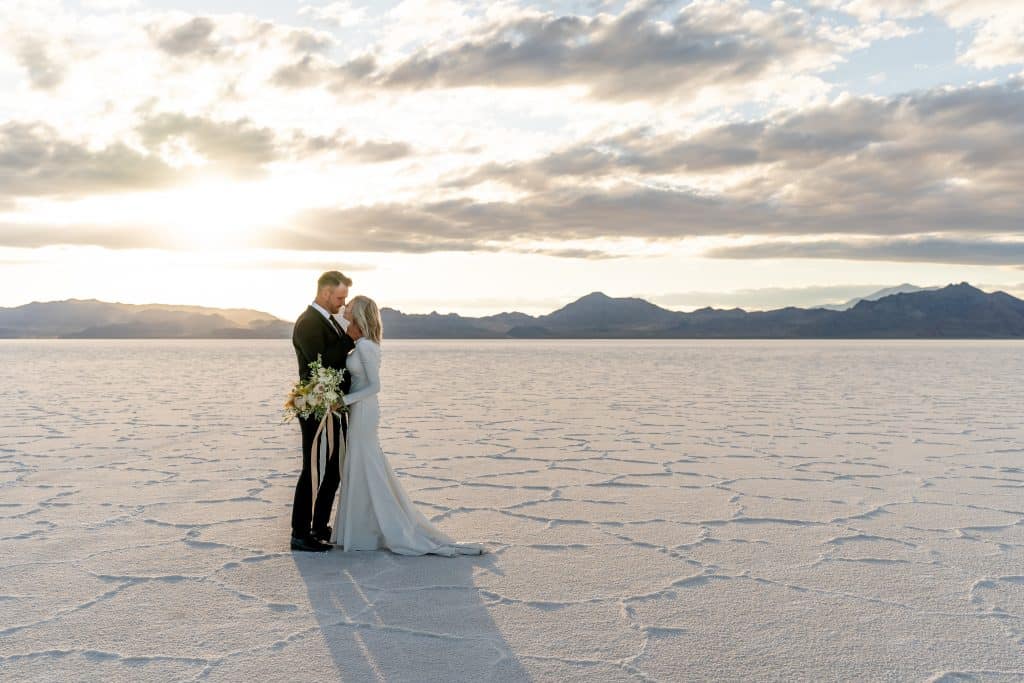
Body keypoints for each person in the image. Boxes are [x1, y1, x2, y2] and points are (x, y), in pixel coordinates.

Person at [332, 295, 484, 556]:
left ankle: (373, 531)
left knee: (366, 464)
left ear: (359, 312)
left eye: (350, 304)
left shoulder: (367, 346)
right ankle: (360, 530)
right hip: (359, 409)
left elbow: (374, 387)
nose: (345, 307)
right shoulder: (361, 342)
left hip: (365, 410)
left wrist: (343, 400)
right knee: (360, 464)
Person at [290, 271, 354, 552]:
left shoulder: (328, 321)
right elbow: (322, 363)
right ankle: (300, 533)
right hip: (316, 407)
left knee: (333, 469)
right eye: (340, 297)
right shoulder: (307, 323)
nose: (343, 303)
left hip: (333, 405)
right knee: (314, 469)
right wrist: (349, 339)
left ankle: (318, 526)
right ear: (326, 293)